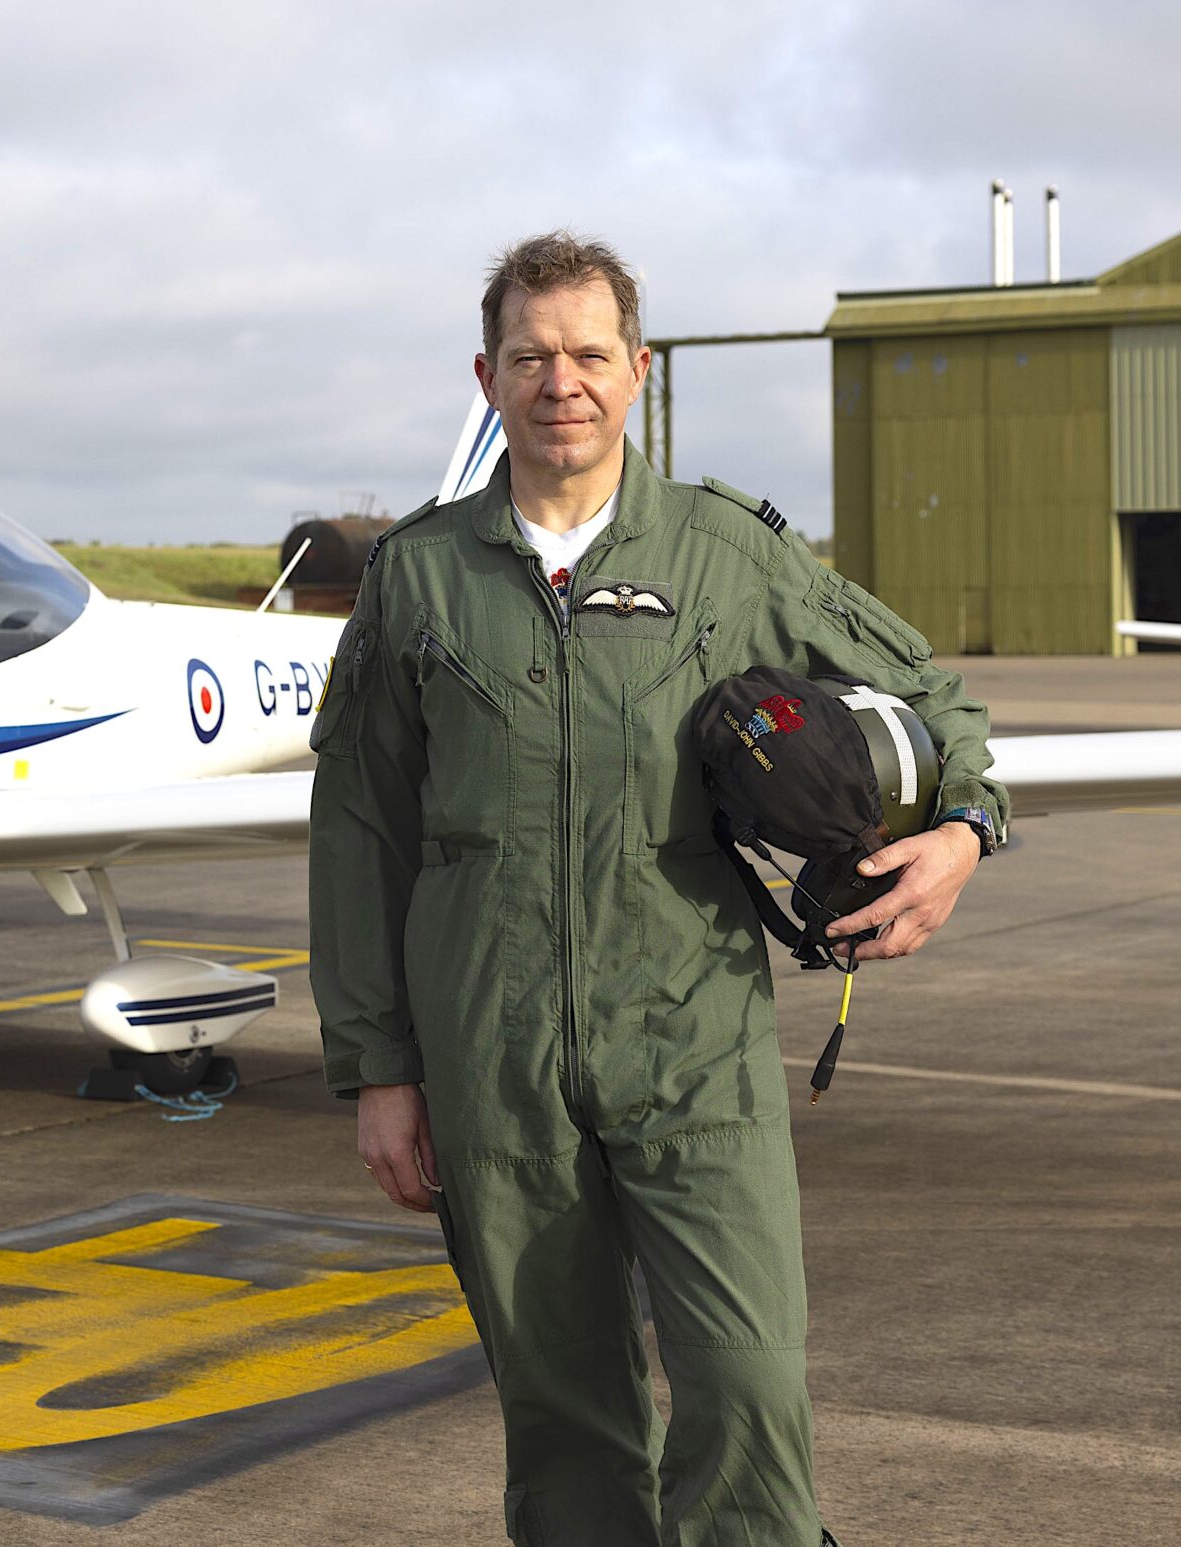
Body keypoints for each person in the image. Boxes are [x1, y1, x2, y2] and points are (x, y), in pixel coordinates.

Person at [308, 232, 1006, 1546]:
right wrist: (378, 1068)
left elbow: (932, 697)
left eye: (585, 353)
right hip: (491, 1053)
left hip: (691, 1032)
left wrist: (964, 829)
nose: (558, 380)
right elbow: (359, 830)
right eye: (528, 355)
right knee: (564, 1412)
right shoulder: (418, 578)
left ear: (636, 373)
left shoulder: (726, 553)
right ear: (486, 376)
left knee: (748, 1381)